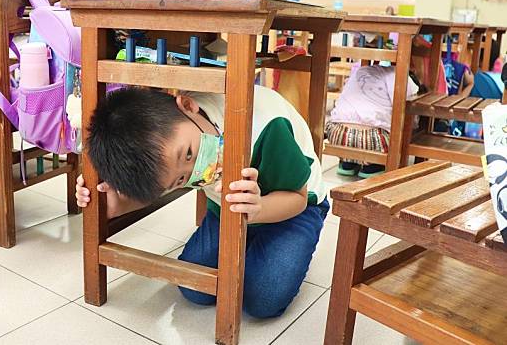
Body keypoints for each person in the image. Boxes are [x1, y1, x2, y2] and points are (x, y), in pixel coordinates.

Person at [76, 85, 329, 318]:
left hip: (295, 207)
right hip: (229, 209)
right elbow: (160, 186)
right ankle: (252, 243)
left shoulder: (265, 123)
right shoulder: (177, 145)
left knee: (262, 300)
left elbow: (298, 198)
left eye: (188, 154)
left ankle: (261, 244)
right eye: (181, 179)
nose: (198, 168)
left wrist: (259, 209)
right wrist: (115, 205)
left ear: (188, 106)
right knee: (194, 288)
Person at [326, 64, 422, 178]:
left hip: (337, 134)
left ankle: (347, 162)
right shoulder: (403, 78)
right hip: (374, 140)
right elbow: (408, 114)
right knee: (397, 131)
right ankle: (372, 166)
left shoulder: (362, 70)